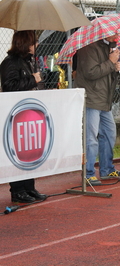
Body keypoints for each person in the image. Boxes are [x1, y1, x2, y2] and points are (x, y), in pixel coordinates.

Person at [0, 30, 47, 203]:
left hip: (29, 113)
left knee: (31, 151)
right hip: (16, 115)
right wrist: (32, 80)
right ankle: (18, 190)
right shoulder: (10, 63)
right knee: (19, 152)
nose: (37, 45)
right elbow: (9, 86)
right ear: (25, 44)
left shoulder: (28, 61)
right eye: (34, 42)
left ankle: (29, 187)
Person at [74, 33, 120, 186]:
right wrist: (110, 62)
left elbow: (106, 75)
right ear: (105, 32)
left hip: (104, 99)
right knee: (91, 138)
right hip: (91, 98)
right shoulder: (87, 48)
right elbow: (91, 73)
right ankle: (88, 173)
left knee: (110, 133)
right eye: (115, 32)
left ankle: (107, 168)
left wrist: (115, 68)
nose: (117, 35)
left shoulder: (108, 48)